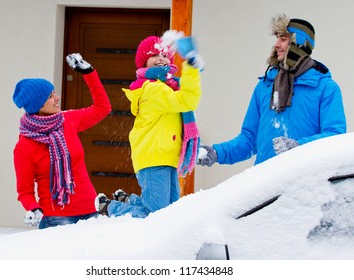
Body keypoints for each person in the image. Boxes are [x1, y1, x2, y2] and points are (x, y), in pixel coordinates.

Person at [198, 14, 346, 168]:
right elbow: (249, 139)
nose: (276, 45)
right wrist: (217, 152)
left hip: (305, 180)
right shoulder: (265, 86)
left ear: (299, 43)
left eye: (283, 39)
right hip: (266, 182)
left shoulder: (326, 88)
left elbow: (334, 137)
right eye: (277, 38)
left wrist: (298, 146)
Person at [95, 33, 204, 218]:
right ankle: (110, 207)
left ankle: (127, 200)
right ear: (144, 62)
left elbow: (185, 100)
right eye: (154, 55)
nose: (160, 58)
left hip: (166, 156)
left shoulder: (169, 85)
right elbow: (186, 102)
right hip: (154, 156)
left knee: (169, 211)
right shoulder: (152, 88)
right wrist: (191, 68)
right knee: (156, 215)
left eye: (164, 54)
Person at [13, 53, 112, 229]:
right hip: (56, 219)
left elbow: (103, 108)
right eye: (50, 96)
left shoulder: (68, 121)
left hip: (91, 210)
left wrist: (89, 73)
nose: (57, 98)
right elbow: (24, 191)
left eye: (54, 93)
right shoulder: (25, 146)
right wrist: (33, 208)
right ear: (37, 105)